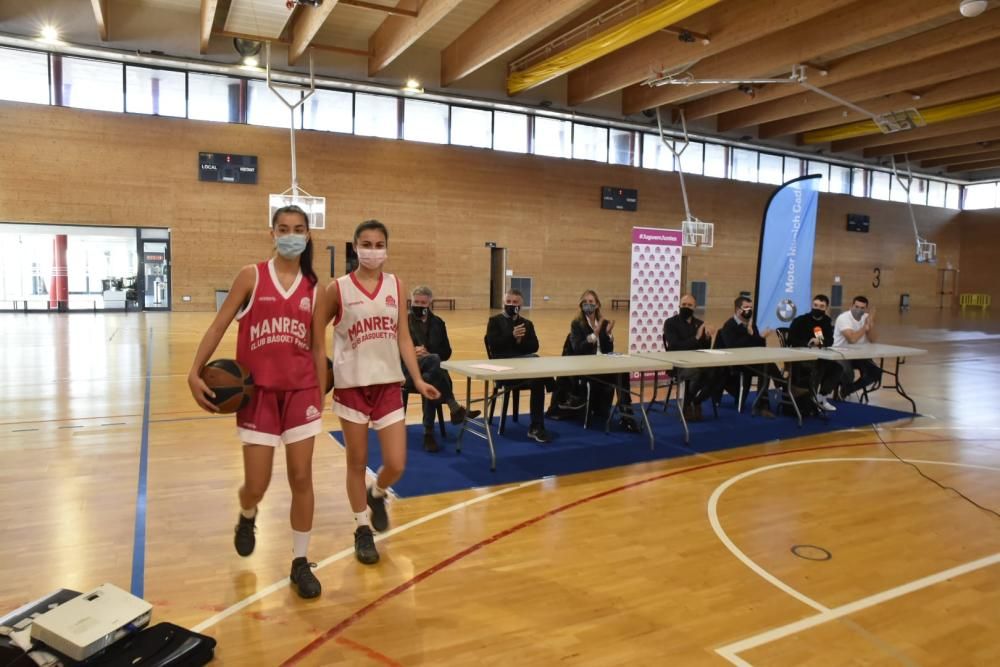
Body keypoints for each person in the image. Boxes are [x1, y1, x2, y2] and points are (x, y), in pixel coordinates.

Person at [187, 205, 325, 599]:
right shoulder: (251, 275)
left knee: (302, 477)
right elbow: (218, 325)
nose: (291, 235)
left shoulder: (316, 286)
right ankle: (247, 514)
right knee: (257, 484)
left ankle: (300, 561)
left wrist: (319, 390)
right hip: (257, 394)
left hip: (299, 392)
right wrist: (194, 371)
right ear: (272, 233)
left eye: (299, 229)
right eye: (284, 228)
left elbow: (318, 345)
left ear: (308, 235)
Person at [321, 220, 440, 566]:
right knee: (356, 462)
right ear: (355, 247)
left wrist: (416, 380)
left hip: (388, 384)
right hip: (352, 387)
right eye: (366, 243)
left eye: (378, 244)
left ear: (387, 247)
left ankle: (378, 493)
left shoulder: (395, 285)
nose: (372, 250)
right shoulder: (338, 289)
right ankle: (362, 529)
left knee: (396, 463)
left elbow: (403, 335)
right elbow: (317, 336)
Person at [404, 285, 480, 452]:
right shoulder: (402, 321)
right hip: (407, 371)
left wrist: (429, 353)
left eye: (423, 302)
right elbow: (391, 349)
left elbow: (447, 352)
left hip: (429, 373)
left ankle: (429, 434)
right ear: (411, 301)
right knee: (435, 364)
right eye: (416, 301)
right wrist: (411, 352)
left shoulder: (438, 323)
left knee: (431, 374)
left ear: (429, 303)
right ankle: (454, 408)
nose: (419, 305)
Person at [485, 289, 554, 443]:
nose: (511, 305)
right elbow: (494, 346)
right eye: (508, 302)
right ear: (504, 303)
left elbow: (534, 346)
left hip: (523, 369)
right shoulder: (494, 321)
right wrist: (512, 336)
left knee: (537, 376)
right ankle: (552, 385)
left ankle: (536, 427)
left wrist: (519, 341)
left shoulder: (527, 324)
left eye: (515, 302)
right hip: (504, 369)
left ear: (521, 305)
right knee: (537, 362)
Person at [565, 290, 639, 431]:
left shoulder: (603, 322)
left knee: (622, 374)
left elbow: (608, 349)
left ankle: (626, 414)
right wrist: (595, 334)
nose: (588, 305)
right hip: (587, 368)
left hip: (603, 366)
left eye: (591, 302)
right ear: (581, 305)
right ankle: (623, 414)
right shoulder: (577, 324)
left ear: (597, 305)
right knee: (617, 376)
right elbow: (578, 349)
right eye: (585, 302)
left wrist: (609, 335)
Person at [716, 295, 776, 418]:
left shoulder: (751, 325)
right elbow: (734, 347)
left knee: (767, 365)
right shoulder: (729, 325)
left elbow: (759, 347)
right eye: (746, 307)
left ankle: (762, 404)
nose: (749, 310)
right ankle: (783, 390)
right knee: (767, 367)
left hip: (750, 361)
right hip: (736, 363)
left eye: (750, 307)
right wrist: (751, 335)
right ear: (738, 310)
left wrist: (759, 337)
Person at [662, 293, 714, 420]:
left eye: (689, 305)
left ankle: (696, 402)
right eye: (684, 304)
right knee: (697, 372)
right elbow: (674, 346)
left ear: (695, 307)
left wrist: (707, 337)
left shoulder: (699, 323)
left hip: (698, 362)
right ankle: (687, 406)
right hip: (678, 364)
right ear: (679, 305)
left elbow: (705, 349)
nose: (686, 307)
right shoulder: (670, 323)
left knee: (717, 372)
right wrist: (696, 337)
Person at [787, 294, 840, 412]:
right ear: (812, 305)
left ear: (826, 308)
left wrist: (820, 341)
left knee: (837, 368)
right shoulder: (800, 320)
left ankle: (821, 397)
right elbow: (790, 340)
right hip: (800, 358)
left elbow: (829, 341)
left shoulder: (826, 322)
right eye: (815, 305)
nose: (817, 308)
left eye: (821, 306)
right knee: (819, 367)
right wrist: (807, 343)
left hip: (820, 356)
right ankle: (812, 398)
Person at [833, 295, 882, 398]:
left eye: (862, 308)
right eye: (856, 307)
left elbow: (873, 339)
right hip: (841, 354)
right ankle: (842, 390)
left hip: (859, 355)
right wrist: (865, 327)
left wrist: (870, 323)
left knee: (876, 372)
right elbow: (852, 339)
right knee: (848, 374)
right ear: (851, 306)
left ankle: (848, 389)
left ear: (866, 309)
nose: (858, 310)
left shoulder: (866, 318)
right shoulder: (844, 318)